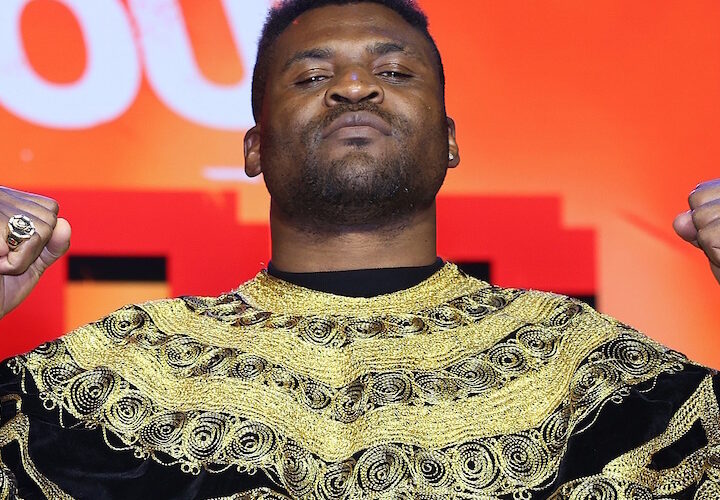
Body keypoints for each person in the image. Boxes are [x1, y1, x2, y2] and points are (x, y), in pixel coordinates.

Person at [1, 0, 719, 498]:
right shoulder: (108, 377)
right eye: (313, 77)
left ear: (449, 141)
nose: (353, 88)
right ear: (254, 148)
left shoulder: (590, 371)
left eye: (395, 72)